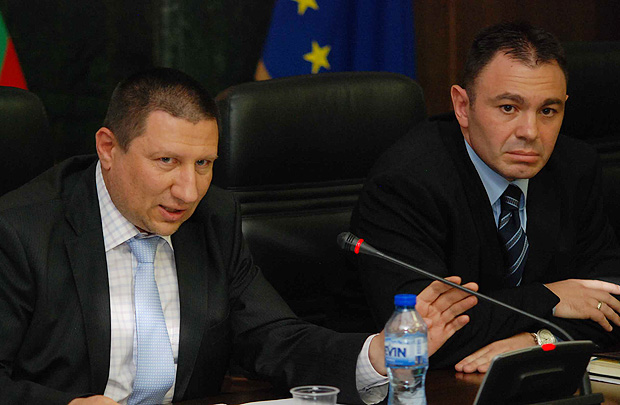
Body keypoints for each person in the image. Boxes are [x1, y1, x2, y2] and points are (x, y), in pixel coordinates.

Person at [0, 68, 478, 404]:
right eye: (166, 161)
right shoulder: (21, 231)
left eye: (203, 163)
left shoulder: (213, 217)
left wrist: (377, 353)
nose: (188, 190)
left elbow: (272, 338)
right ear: (108, 148)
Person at [351, 21, 620, 374]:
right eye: (508, 108)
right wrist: (551, 297)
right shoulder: (406, 184)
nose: (530, 132)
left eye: (548, 111)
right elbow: (417, 333)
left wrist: (539, 340)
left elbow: (612, 303)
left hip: (530, 380)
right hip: (409, 386)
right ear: (463, 106)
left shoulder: (575, 168)